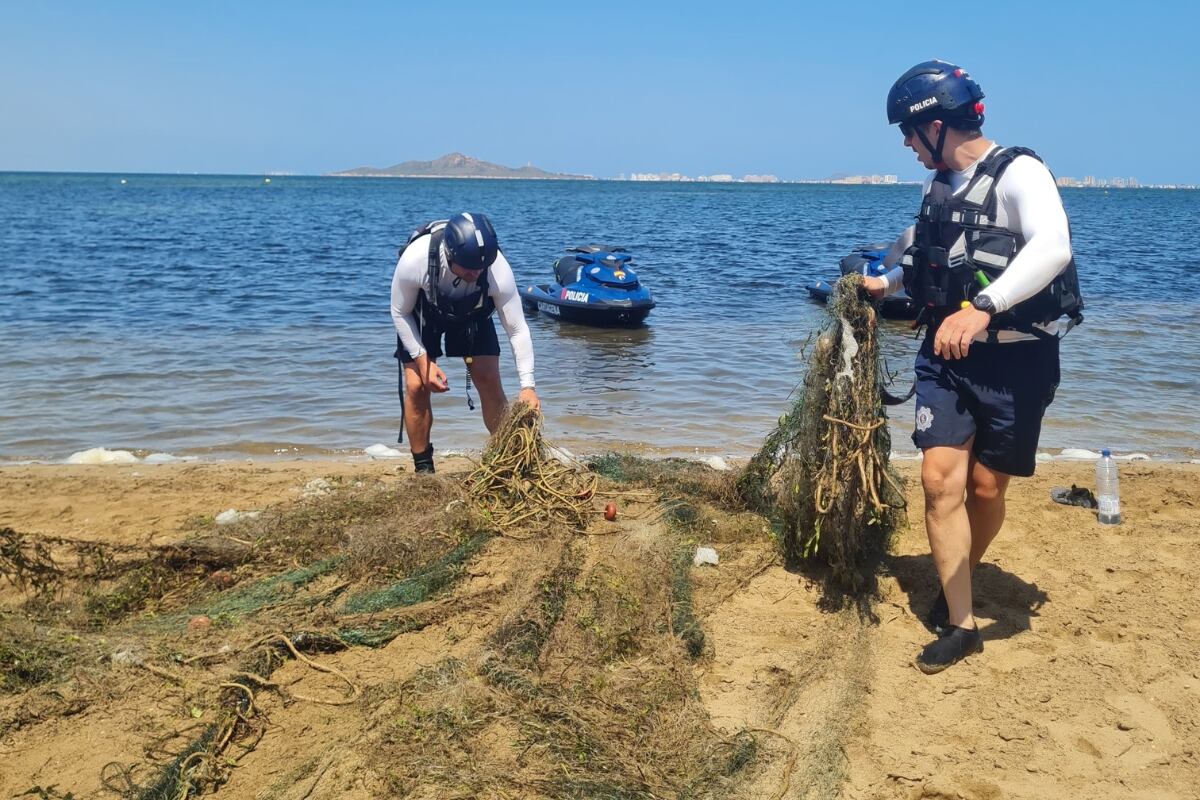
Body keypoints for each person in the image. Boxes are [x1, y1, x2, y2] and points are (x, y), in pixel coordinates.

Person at [863, 61, 1083, 673]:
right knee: (939, 482)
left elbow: (1053, 245)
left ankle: (962, 569)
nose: (906, 145)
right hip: (945, 355)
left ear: (935, 125)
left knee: (986, 489)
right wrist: (890, 279)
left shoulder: (1020, 173)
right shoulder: (938, 186)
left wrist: (984, 308)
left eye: (908, 133)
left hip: (1017, 359)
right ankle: (960, 623)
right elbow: (935, 252)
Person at [390, 212, 540, 473]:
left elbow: (517, 329)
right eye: (468, 267)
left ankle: (508, 461)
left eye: (480, 267)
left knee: (487, 378)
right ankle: (424, 469)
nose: (475, 272)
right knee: (416, 386)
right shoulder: (415, 260)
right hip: (424, 313)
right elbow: (399, 312)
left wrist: (528, 387)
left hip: (473, 313)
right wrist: (424, 362)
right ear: (449, 254)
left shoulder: (496, 269)